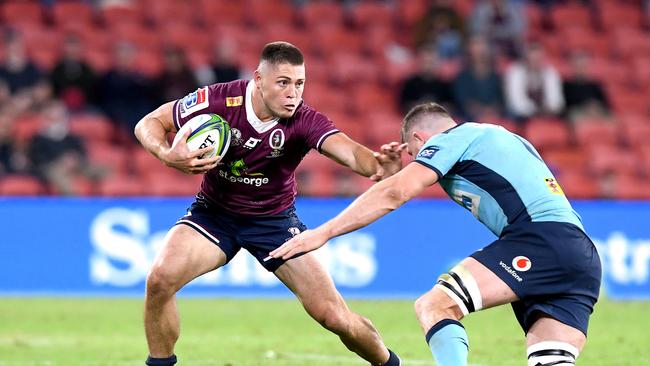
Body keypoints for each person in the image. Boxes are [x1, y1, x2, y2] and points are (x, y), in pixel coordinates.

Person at [269, 102, 602, 366]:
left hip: (541, 241)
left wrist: (323, 232)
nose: (419, 162)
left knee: (435, 306)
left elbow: (395, 193)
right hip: (580, 257)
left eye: (416, 156)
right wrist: (390, 172)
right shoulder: (502, 138)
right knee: (551, 361)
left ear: (420, 140)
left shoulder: (452, 139)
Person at [134, 41, 403, 366]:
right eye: (284, 82)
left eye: (300, 83)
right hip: (214, 214)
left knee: (334, 317)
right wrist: (167, 154)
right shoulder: (219, 99)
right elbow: (148, 122)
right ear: (258, 79)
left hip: (275, 223)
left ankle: (390, 363)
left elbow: (351, 153)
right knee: (160, 279)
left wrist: (378, 166)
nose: (294, 94)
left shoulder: (304, 120)